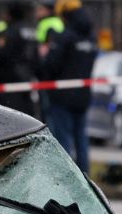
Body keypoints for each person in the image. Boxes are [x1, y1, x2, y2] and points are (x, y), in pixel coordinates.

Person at [39, 0, 96, 172]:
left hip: (62, 97)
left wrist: (44, 57)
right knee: (81, 140)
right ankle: (85, 179)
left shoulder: (65, 36)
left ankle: (65, 178)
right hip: (83, 96)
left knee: (63, 142)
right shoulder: (90, 37)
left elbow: (51, 66)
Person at [0, 3, 34, 116]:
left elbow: (3, 53)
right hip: (27, 75)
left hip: (12, 78)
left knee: (14, 113)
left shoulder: (10, 31)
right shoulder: (29, 28)